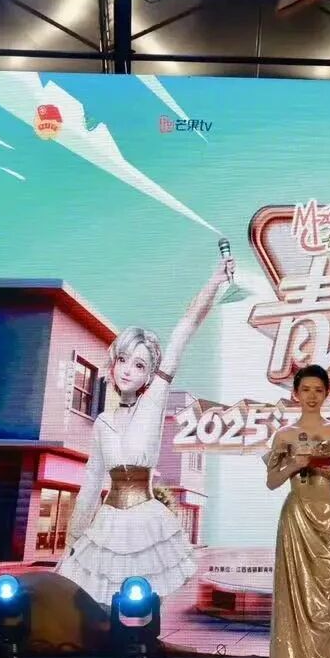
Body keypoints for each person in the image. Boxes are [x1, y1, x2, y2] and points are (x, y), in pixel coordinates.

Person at [57, 258, 231, 608]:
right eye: (123, 360)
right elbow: (90, 486)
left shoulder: (154, 401)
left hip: (146, 521)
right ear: (113, 363)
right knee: (103, 606)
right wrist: (71, 542)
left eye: (139, 365)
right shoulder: (103, 423)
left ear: (150, 375)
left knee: (143, 607)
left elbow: (183, 330)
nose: (127, 371)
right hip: (107, 523)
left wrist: (214, 281)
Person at [229, 364, 330, 658]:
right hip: (296, 516)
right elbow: (272, 482)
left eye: (318, 390)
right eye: (306, 390)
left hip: (327, 517)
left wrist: (329, 465)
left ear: (326, 394)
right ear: (296, 394)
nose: (312, 396)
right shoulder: (284, 435)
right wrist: (296, 464)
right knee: (292, 597)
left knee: (326, 598)